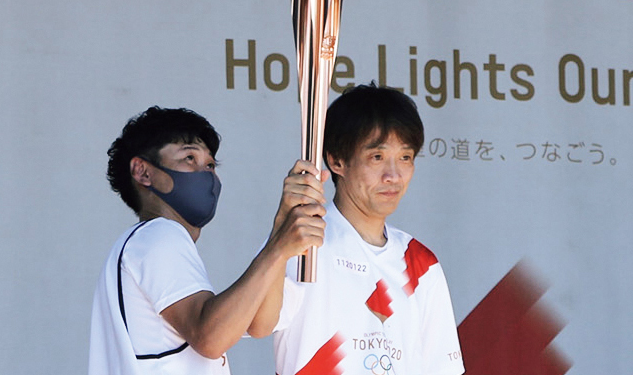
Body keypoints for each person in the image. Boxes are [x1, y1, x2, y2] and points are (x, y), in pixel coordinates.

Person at [88, 106, 325, 375]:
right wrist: (278, 247)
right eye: (189, 158)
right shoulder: (158, 236)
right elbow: (210, 337)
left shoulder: (146, 243)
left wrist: (283, 225)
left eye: (210, 165)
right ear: (143, 172)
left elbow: (262, 321)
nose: (206, 173)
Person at [250, 84, 465, 375]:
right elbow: (260, 324)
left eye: (405, 157)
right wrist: (278, 240)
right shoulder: (302, 243)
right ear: (337, 160)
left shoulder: (421, 264)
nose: (393, 176)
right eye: (377, 157)